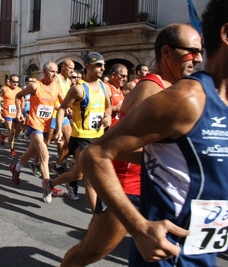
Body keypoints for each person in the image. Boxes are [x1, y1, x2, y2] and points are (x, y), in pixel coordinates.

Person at [72, 5, 225, 264]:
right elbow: (103, 149)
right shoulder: (166, 93)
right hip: (127, 182)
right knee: (93, 250)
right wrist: (140, 226)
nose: (197, 58)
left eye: (200, 52)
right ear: (167, 53)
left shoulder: (186, 93)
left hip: (195, 236)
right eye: (192, 52)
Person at [45, 52, 111, 205]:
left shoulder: (104, 87)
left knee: (77, 175)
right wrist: (60, 129)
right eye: (99, 65)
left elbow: (108, 108)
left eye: (104, 65)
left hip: (98, 136)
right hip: (81, 138)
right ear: (87, 66)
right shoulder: (79, 89)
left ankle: (50, 184)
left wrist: (107, 117)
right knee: (90, 176)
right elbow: (61, 108)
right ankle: (97, 219)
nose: (102, 68)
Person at [9, 61, 64, 202]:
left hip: (46, 125)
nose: (54, 74)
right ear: (44, 72)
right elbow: (18, 96)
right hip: (34, 124)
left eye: (56, 71)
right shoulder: (35, 85)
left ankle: (16, 167)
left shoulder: (57, 86)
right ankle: (48, 186)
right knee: (44, 155)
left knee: (31, 152)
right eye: (52, 71)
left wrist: (67, 109)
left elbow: (62, 104)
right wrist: (19, 112)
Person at [0, 74, 23, 158]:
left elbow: (22, 100)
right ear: (9, 81)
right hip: (8, 113)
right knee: (11, 131)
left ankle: (4, 135)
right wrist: (2, 105)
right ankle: (12, 150)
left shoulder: (20, 90)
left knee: (17, 131)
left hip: (17, 113)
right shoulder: (5, 89)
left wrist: (21, 110)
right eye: (14, 82)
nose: (15, 84)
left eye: (17, 82)